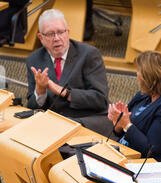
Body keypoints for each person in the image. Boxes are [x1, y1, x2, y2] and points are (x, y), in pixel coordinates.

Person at [26, 9, 113, 137]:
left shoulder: (89, 54)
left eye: (60, 32)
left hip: (86, 121)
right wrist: (39, 92)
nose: (56, 38)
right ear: (41, 38)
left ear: (68, 33)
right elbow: (31, 107)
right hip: (52, 124)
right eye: (50, 34)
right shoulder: (34, 59)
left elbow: (100, 99)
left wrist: (64, 92)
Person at [107, 50, 161, 163]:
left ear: (148, 76)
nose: (137, 75)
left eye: (139, 71)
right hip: (124, 153)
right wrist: (118, 123)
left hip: (148, 166)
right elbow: (123, 131)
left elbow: (150, 149)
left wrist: (126, 125)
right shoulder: (144, 95)